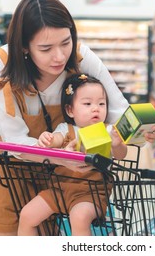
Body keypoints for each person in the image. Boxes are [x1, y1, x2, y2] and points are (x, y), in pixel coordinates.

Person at [0, 0, 155, 236]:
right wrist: (59, 156)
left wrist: (142, 129)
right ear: (24, 47)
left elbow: (119, 111)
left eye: (65, 42)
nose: (60, 56)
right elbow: (15, 140)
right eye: (46, 48)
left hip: (61, 175)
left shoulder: (82, 58)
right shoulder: (2, 64)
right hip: (7, 168)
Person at [18, 73, 127, 236]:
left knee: (79, 217)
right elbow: (55, 140)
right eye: (87, 103)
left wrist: (117, 144)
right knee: (27, 215)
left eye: (101, 103)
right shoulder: (65, 129)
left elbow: (120, 155)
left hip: (91, 193)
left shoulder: (107, 130)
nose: (96, 108)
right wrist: (46, 139)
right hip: (59, 190)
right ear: (70, 110)